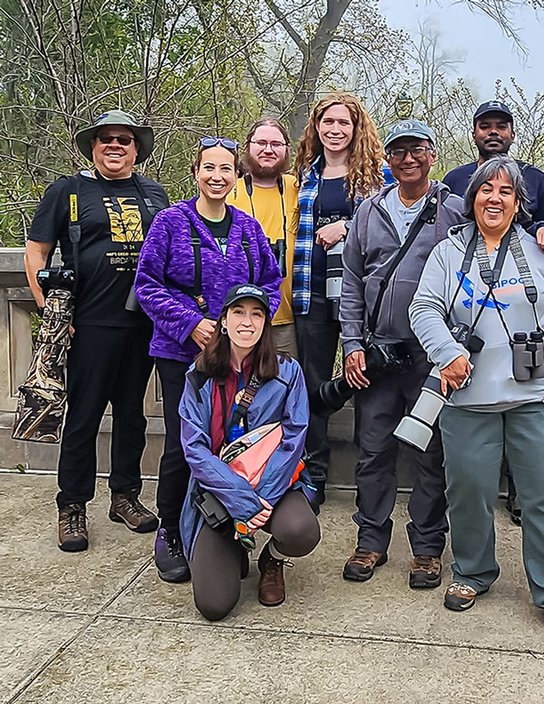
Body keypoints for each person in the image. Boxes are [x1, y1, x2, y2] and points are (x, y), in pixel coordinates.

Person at [409, 156, 544, 644]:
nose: (494, 199)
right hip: (466, 398)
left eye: (506, 192)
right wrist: (446, 352)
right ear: (472, 198)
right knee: (467, 493)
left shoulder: (541, 251)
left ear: (518, 203)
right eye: (486, 190)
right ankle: (472, 571)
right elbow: (423, 307)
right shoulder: (448, 253)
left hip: (536, 397)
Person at [135, 137, 282, 583]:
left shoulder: (247, 228)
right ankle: (170, 530)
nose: (217, 177)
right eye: (209, 168)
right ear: (195, 172)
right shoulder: (170, 223)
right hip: (182, 353)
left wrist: (247, 328)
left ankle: (222, 525)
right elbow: (147, 284)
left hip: (235, 358)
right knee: (185, 443)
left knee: (229, 439)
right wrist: (192, 323)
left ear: (237, 175)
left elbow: (271, 285)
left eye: (226, 170)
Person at [26, 110, 169, 552]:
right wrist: (52, 312)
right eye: (106, 138)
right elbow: (36, 254)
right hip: (87, 323)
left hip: (142, 323)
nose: (115, 146)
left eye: (124, 140)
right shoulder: (68, 191)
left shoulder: (154, 194)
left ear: (136, 149)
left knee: (132, 416)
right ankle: (71, 507)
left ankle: (124, 496)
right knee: (84, 417)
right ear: (93, 146)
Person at [339, 119, 465, 587]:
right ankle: (371, 541)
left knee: (430, 454)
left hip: (430, 359)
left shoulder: (453, 211)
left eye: (416, 150)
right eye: (398, 152)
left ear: (432, 155)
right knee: (372, 451)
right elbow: (351, 280)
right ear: (386, 158)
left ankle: (428, 548)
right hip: (376, 355)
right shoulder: (369, 212)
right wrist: (351, 342)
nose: (407, 159)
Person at [443, 99, 544, 524]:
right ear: (474, 132)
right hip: (471, 310)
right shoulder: (455, 179)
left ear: (512, 132)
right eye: (485, 126)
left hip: (523, 306)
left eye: (501, 126)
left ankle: (519, 495)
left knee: (529, 429)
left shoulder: (535, 178)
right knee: (472, 461)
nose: (493, 132)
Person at [179, 284, 319, 621]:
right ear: (223, 321)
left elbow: (295, 436)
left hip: (273, 486)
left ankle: (272, 558)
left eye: (256, 314)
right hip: (219, 491)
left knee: (301, 531)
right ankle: (234, 546)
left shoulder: (288, 372)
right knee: (214, 606)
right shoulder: (199, 377)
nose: (247, 322)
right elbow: (195, 450)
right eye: (238, 312)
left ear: (265, 324)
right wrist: (242, 501)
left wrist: (261, 500)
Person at [293, 92, 386, 507]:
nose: (334, 130)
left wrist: (346, 225)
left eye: (343, 123)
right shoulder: (304, 174)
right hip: (308, 288)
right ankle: (314, 475)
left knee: (366, 377)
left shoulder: (376, 174)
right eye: (327, 122)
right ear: (316, 126)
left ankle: (371, 477)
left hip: (354, 293)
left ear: (356, 127)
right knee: (310, 381)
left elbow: (389, 224)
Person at [227, 118, 300, 357]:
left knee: (285, 388)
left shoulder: (299, 188)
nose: (268, 150)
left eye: (276, 144)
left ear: (287, 149)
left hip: (287, 319)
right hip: (238, 317)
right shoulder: (229, 190)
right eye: (261, 142)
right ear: (247, 146)